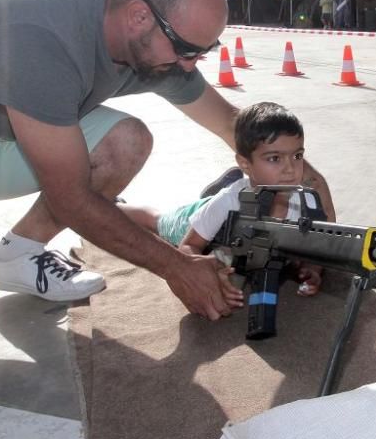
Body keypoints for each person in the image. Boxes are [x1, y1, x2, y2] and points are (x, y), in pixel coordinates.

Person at [0, 0, 335, 366]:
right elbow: (71, 198)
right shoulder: (42, 39)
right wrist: (177, 267)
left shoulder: (148, 44)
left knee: (125, 140)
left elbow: (234, 126)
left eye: (204, 52)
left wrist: (316, 221)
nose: (191, 65)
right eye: (186, 49)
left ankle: (14, 255)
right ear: (139, 16)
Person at [120, 101, 323, 296]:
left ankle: (217, 189)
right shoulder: (230, 201)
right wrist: (208, 272)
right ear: (245, 163)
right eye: (274, 158)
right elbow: (189, 246)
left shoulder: (305, 202)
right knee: (156, 219)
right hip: (193, 221)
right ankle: (115, 205)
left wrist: (312, 270)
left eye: (297, 156)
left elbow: (314, 249)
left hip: (226, 221)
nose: (290, 169)